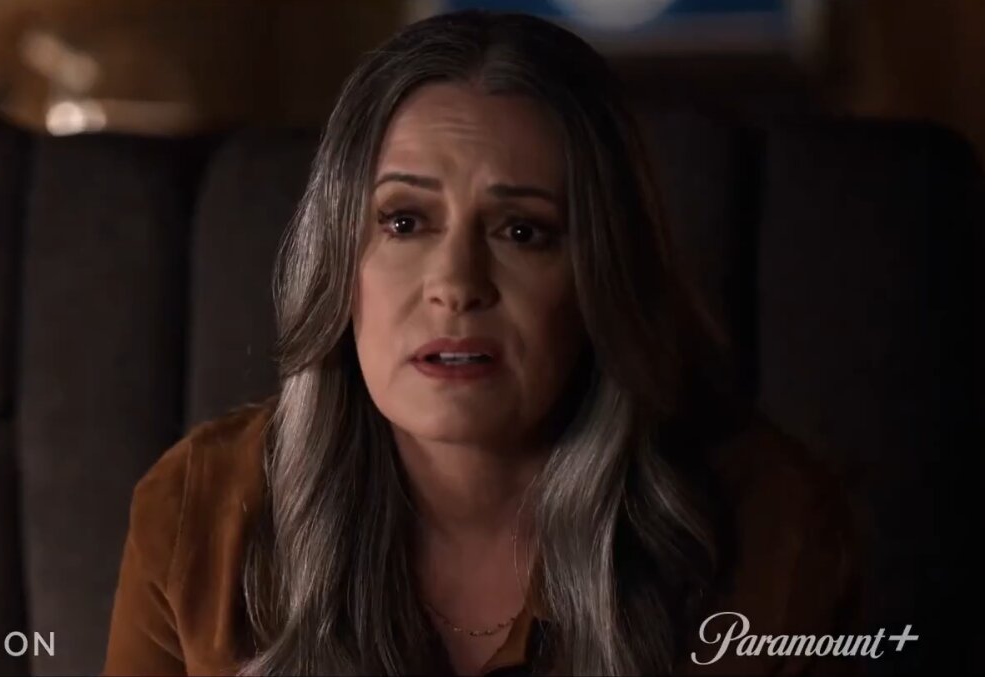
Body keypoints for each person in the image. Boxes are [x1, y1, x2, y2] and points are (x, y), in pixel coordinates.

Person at [102, 9, 862, 676]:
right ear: (336, 262)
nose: (456, 284)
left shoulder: (771, 527)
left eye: (522, 231)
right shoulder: (199, 513)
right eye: (404, 221)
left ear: (600, 278)